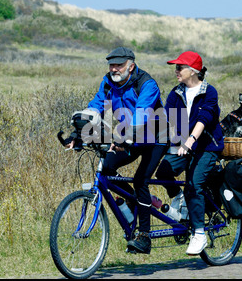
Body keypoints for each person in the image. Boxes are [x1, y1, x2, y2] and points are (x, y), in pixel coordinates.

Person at [65, 47, 168, 254]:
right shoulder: (108, 82)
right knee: (107, 169)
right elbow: (95, 107)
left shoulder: (146, 84)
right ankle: (133, 202)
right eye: (111, 64)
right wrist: (78, 134)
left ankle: (144, 236)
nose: (114, 68)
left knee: (140, 181)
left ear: (131, 66)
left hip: (155, 137)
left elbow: (142, 113)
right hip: (128, 137)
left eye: (119, 65)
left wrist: (125, 137)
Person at [155, 51, 224, 255]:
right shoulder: (176, 93)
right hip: (183, 145)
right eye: (175, 67)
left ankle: (200, 234)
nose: (176, 71)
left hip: (206, 147)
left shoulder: (209, 92)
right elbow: (167, 121)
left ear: (193, 71)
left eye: (180, 67)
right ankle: (179, 198)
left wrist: (190, 141)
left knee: (194, 184)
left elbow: (204, 118)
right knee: (163, 173)